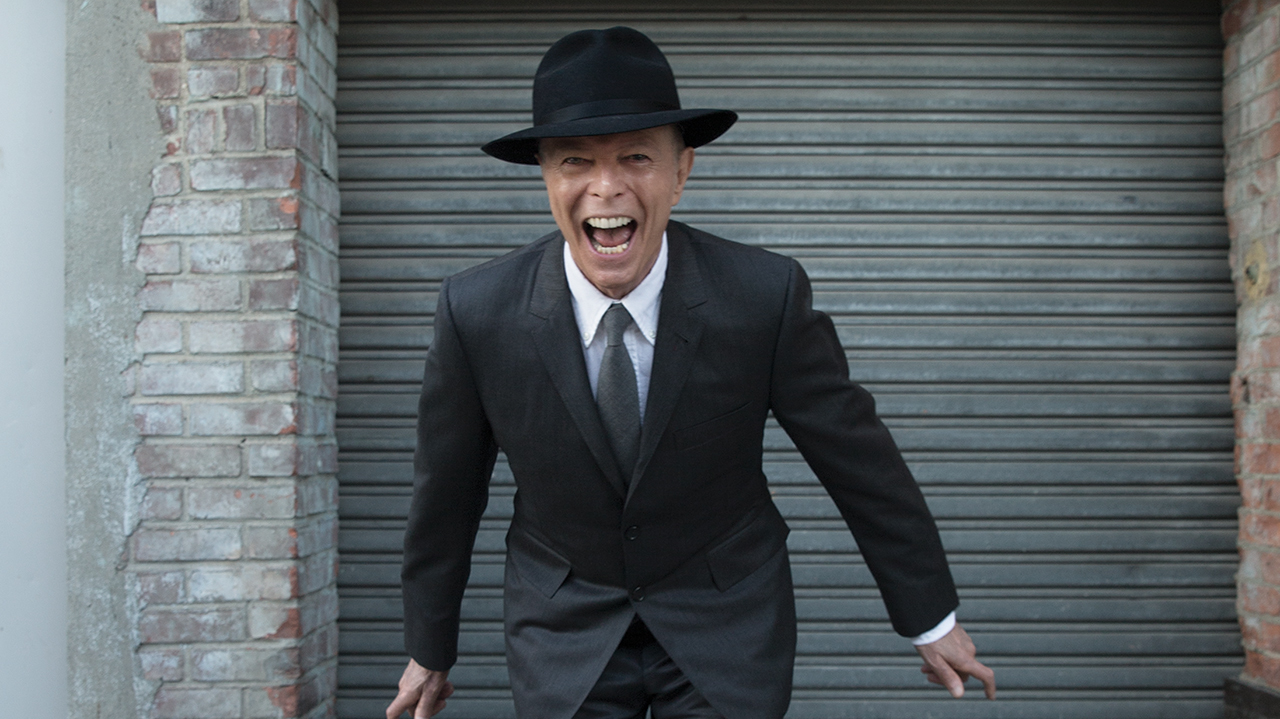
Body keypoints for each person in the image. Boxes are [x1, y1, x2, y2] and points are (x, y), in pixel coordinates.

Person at [387, 26, 996, 719]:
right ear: (546, 176)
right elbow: (446, 494)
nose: (606, 188)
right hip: (564, 625)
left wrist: (930, 619)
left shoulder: (763, 296)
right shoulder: (477, 312)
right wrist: (429, 646)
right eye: (576, 161)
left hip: (726, 618)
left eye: (638, 157)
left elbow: (859, 460)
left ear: (682, 171)